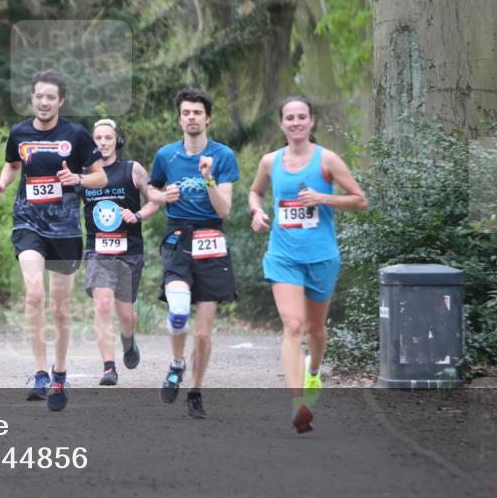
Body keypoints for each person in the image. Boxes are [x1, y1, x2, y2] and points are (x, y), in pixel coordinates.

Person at [0, 69, 107, 412]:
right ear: (32, 98)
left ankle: (60, 373)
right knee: (35, 293)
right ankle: (40, 373)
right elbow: (13, 165)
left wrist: (78, 178)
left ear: (61, 101)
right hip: (28, 223)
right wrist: (1, 184)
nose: (44, 102)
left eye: (50, 97)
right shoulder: (19, 132)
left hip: (66, 230)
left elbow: (100, 177)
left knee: (60, 307)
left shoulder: (76, 134)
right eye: (39, 96)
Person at [247, 96, 367, 433]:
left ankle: (314, 371)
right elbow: (255, 192)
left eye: (302, 117)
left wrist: (323, 197)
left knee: (315, 330)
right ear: (281, 124)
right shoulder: (270, 161)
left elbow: (360, 200)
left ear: (311, 121)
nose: (296, 122)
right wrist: (256, 212)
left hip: (321, 257)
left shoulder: (327, 159)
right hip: (283, 256)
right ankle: (298, 403)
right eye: (290, 117)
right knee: (292, 326)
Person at [145, 88, 239, 419]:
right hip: (178, 237)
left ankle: (196, 390)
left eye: (197, 112)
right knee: (179, 310)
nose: (191, 118)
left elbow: (224, 209)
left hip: (211, 237)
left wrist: (208, 178)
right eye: (186, 112)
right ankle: (176, 364)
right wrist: (161, 196)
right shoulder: (166, 155)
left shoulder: (223, 155)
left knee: (201, 332)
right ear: (179, 118)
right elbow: (151, 189)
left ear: (207, 118)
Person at [80, 118, 160, 386]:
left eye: (108, 138)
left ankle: (128, 340)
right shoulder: (84, 175)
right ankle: (109, 368)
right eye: (98, 138)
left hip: (129, 251)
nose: (103, 143)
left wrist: (137, 215)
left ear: (117, 141)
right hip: (97, 250)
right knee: (102, 305)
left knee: (126, 314)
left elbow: (154, 200)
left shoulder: (132, 169)